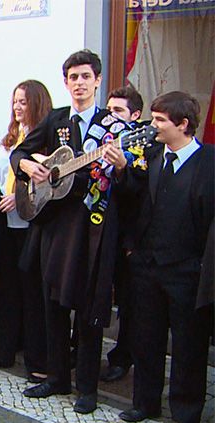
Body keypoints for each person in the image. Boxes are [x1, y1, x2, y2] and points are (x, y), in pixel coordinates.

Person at [11, 50, 131, 414]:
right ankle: (57, 376)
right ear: (65, 83)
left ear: (97, 80)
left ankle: (88, 387)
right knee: (53, 304)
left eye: (85, 77)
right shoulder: (56, 120)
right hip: (55, 225)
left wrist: (123, 165)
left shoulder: (116, 127)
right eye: (72, 77)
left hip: (93, 228)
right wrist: (31, 166)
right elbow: (20, 154)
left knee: (90, 307)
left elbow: (133, 185)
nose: (78, 83)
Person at [117, 91, 213, 423]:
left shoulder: (209, 164)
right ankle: (145, 402)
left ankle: (187, 416)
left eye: (160, 120)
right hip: (147, 266)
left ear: (183, 124)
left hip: (188, 271)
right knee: (146, 338)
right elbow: (134, 199)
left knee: (189, 346)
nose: (153, 126)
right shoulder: (154, 156)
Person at [0, 80, 51, 381]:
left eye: (24, 102)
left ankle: (36, 359)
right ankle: (3, 350)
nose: (18, 107)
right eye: (15, 102)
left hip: (32, 223)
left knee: (32, 292)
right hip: (5, 222)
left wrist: (19, 197)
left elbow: (47, 181)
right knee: (6, 289)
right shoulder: (8, 139)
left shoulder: (44, 141)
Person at [100, 84, 144, 384]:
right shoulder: (101, 139)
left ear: (136, 116)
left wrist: (121, 168)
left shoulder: (143, 148)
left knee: (128, 302)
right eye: (110, 110)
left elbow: (138, 194)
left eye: (119, 112)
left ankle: (123, 356)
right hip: (97, 232)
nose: (112, 118)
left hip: (126, 238)